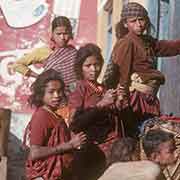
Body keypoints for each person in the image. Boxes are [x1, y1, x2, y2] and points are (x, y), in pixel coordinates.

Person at [108, 2, 180, 136]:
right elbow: (122, 74)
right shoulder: (126, 43)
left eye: (141, 20)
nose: (139, 24)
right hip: (135, 101)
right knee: (143, 135)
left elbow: (167, 47)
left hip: (148, 99)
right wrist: (121, 100)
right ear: (125, 24)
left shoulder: (146, 41)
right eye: (133, 21)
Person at [68, 43, 122, 180]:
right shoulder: (79, 89)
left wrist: (119, 101)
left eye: (97, 64)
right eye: (88, 66)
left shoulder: (101, 88)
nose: (94, 69)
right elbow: (74, 123)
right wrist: (102, 104)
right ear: (80, 67)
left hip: (110, 148)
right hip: (92, 151)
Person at [23, 69, 86, 180]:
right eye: (51, 92)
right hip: (44, 175)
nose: (57, 95)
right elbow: (34, 152)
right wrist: (69, 145)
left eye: (59, 91)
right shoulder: (41, 116)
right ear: (41, 94)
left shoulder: (55, 115)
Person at [11, 16, 77, 95]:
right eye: (58, 34)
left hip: (74, 95)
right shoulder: (43, 51)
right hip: (54, 96)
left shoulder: (74, 52)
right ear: (52, 34)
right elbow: (17, 65)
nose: (62, 37)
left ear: (70, 34)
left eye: (65, 33)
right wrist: (39, 77)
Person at [98, 137, 163, 180]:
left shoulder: (109, 171)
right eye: (139, 151)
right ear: (132, 154)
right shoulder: (149, 169)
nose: (141, 155)